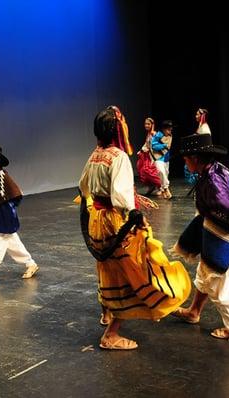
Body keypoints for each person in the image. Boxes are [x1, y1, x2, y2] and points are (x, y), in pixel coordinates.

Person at [79, 107, 191, 350]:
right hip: (114, 221)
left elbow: (84, 186)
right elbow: (119, 195)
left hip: (97, 219)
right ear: (118, 129)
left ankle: (107, 312)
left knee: (108, 267)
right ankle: (112, 333)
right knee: (133, 268)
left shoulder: (95, 155)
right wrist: (133, 213)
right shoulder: (117, 156)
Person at [171, 133, 229, 342]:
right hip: (218, 233)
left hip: (227, 239)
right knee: (204, 275)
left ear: (196, 159)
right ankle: (194, 311)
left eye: (187, 158)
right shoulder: (217, 170)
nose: (185, 161)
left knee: (219, 288)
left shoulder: (213, 180)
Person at [0, 144, 38, 284]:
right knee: (13, 243)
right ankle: (30, 263)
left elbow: (17, 194)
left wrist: (8, 207)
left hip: (5, 215)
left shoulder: (3, 176)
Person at [185, 108, 212, 185]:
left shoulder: (204, 128)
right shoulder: (201, 127)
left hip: (202, 156)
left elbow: (205, 144)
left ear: (202, 116)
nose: (195, 116)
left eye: (197, 114)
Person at [136, 117, 161, 196]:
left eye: (148, 124)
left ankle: (160, 187)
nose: (146, 125)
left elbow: (153, 145)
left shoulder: (153, 133)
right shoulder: (148, 133)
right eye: (145, 124)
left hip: (152, 155)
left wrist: (144, 149)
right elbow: (147, 143)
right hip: (146, 154)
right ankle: (151, 186)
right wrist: (141, 150)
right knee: (141, 169)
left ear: (152, 125)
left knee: (149, 171)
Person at [151, 120, 174, 199]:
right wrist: (163, 145)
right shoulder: (158, 135)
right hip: (159, 157)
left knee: (165, 174)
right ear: (164, 129)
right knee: (161, 171)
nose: (169, 131)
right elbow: (153, 146)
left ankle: (163, 190)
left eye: (170, 129)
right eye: (168, 129)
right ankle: (166, 188)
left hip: (166, 158)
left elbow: (169, 146)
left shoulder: (170, 136)